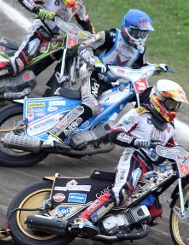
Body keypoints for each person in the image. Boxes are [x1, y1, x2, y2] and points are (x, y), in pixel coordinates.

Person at [70, 79, 189, 236]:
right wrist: (134, 141)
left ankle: (117, 223)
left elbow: (173, 150)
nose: (173, 109)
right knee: (122, 191)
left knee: (155, 215)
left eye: (176, 106)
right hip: (134, 158)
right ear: (158, 98)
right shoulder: (139, 114)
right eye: (170, 104)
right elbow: (115, 133)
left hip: (150, 170)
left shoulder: (170, 128)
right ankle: (83, 219)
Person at [43, 9, 155, 147]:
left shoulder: (140, 50)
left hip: (114, 85)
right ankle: (55, 136)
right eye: (138, 32)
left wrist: (154, 68)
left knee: (148, 97)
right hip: (94, 76)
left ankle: (142, 138)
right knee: (91, 106)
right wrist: (95, 62)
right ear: (127, 28)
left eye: (144, 33)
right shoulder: (110, 36)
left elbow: (138, 69)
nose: (141, 36)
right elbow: (84, 47)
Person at [0, 0, 94, 84]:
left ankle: (20, 83)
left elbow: (86, 22)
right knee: (18, 63)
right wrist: (37, 9)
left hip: (54, 38)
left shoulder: (79, 5)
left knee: (54, 56)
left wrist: (94, 38)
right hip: (39, 32)